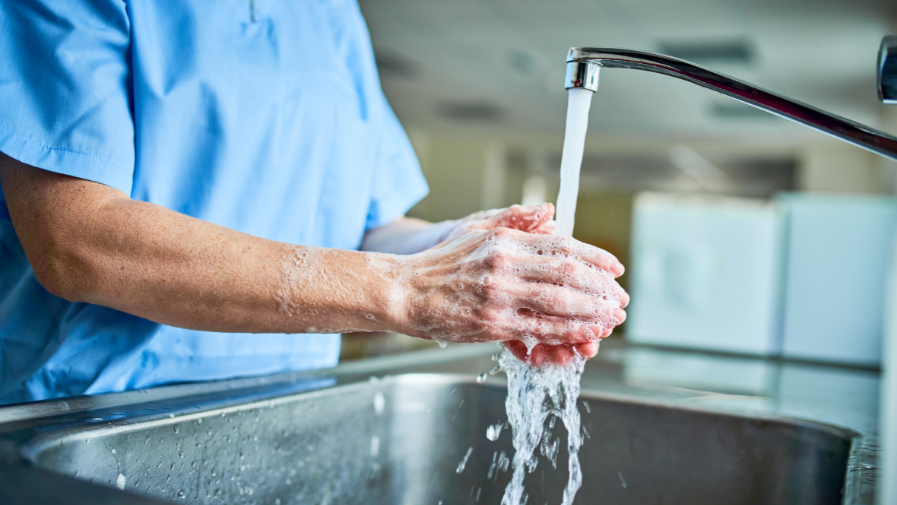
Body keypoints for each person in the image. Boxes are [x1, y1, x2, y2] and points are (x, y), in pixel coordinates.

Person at [0, 0, 628, 405]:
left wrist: (466, 251)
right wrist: (411, 291)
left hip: (289, 403)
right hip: (89, 413)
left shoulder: (331, 17)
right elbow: (75, 241)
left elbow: (372, 228)